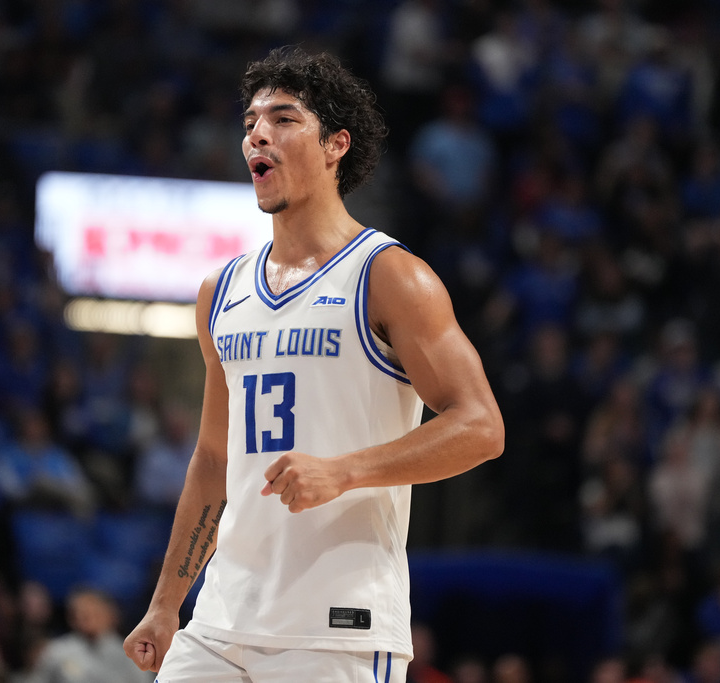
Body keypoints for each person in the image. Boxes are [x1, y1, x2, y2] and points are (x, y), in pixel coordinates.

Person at [123, 47, 504, 683]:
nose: (257, 135)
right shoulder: (221, 292)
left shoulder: (389, 277)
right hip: (220, 621)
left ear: (336, 145)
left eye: (283, 118)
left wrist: (345, 470)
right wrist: (166, 606)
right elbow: (215, 459)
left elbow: (481, 427)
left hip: (337, 628)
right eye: (249, 123)